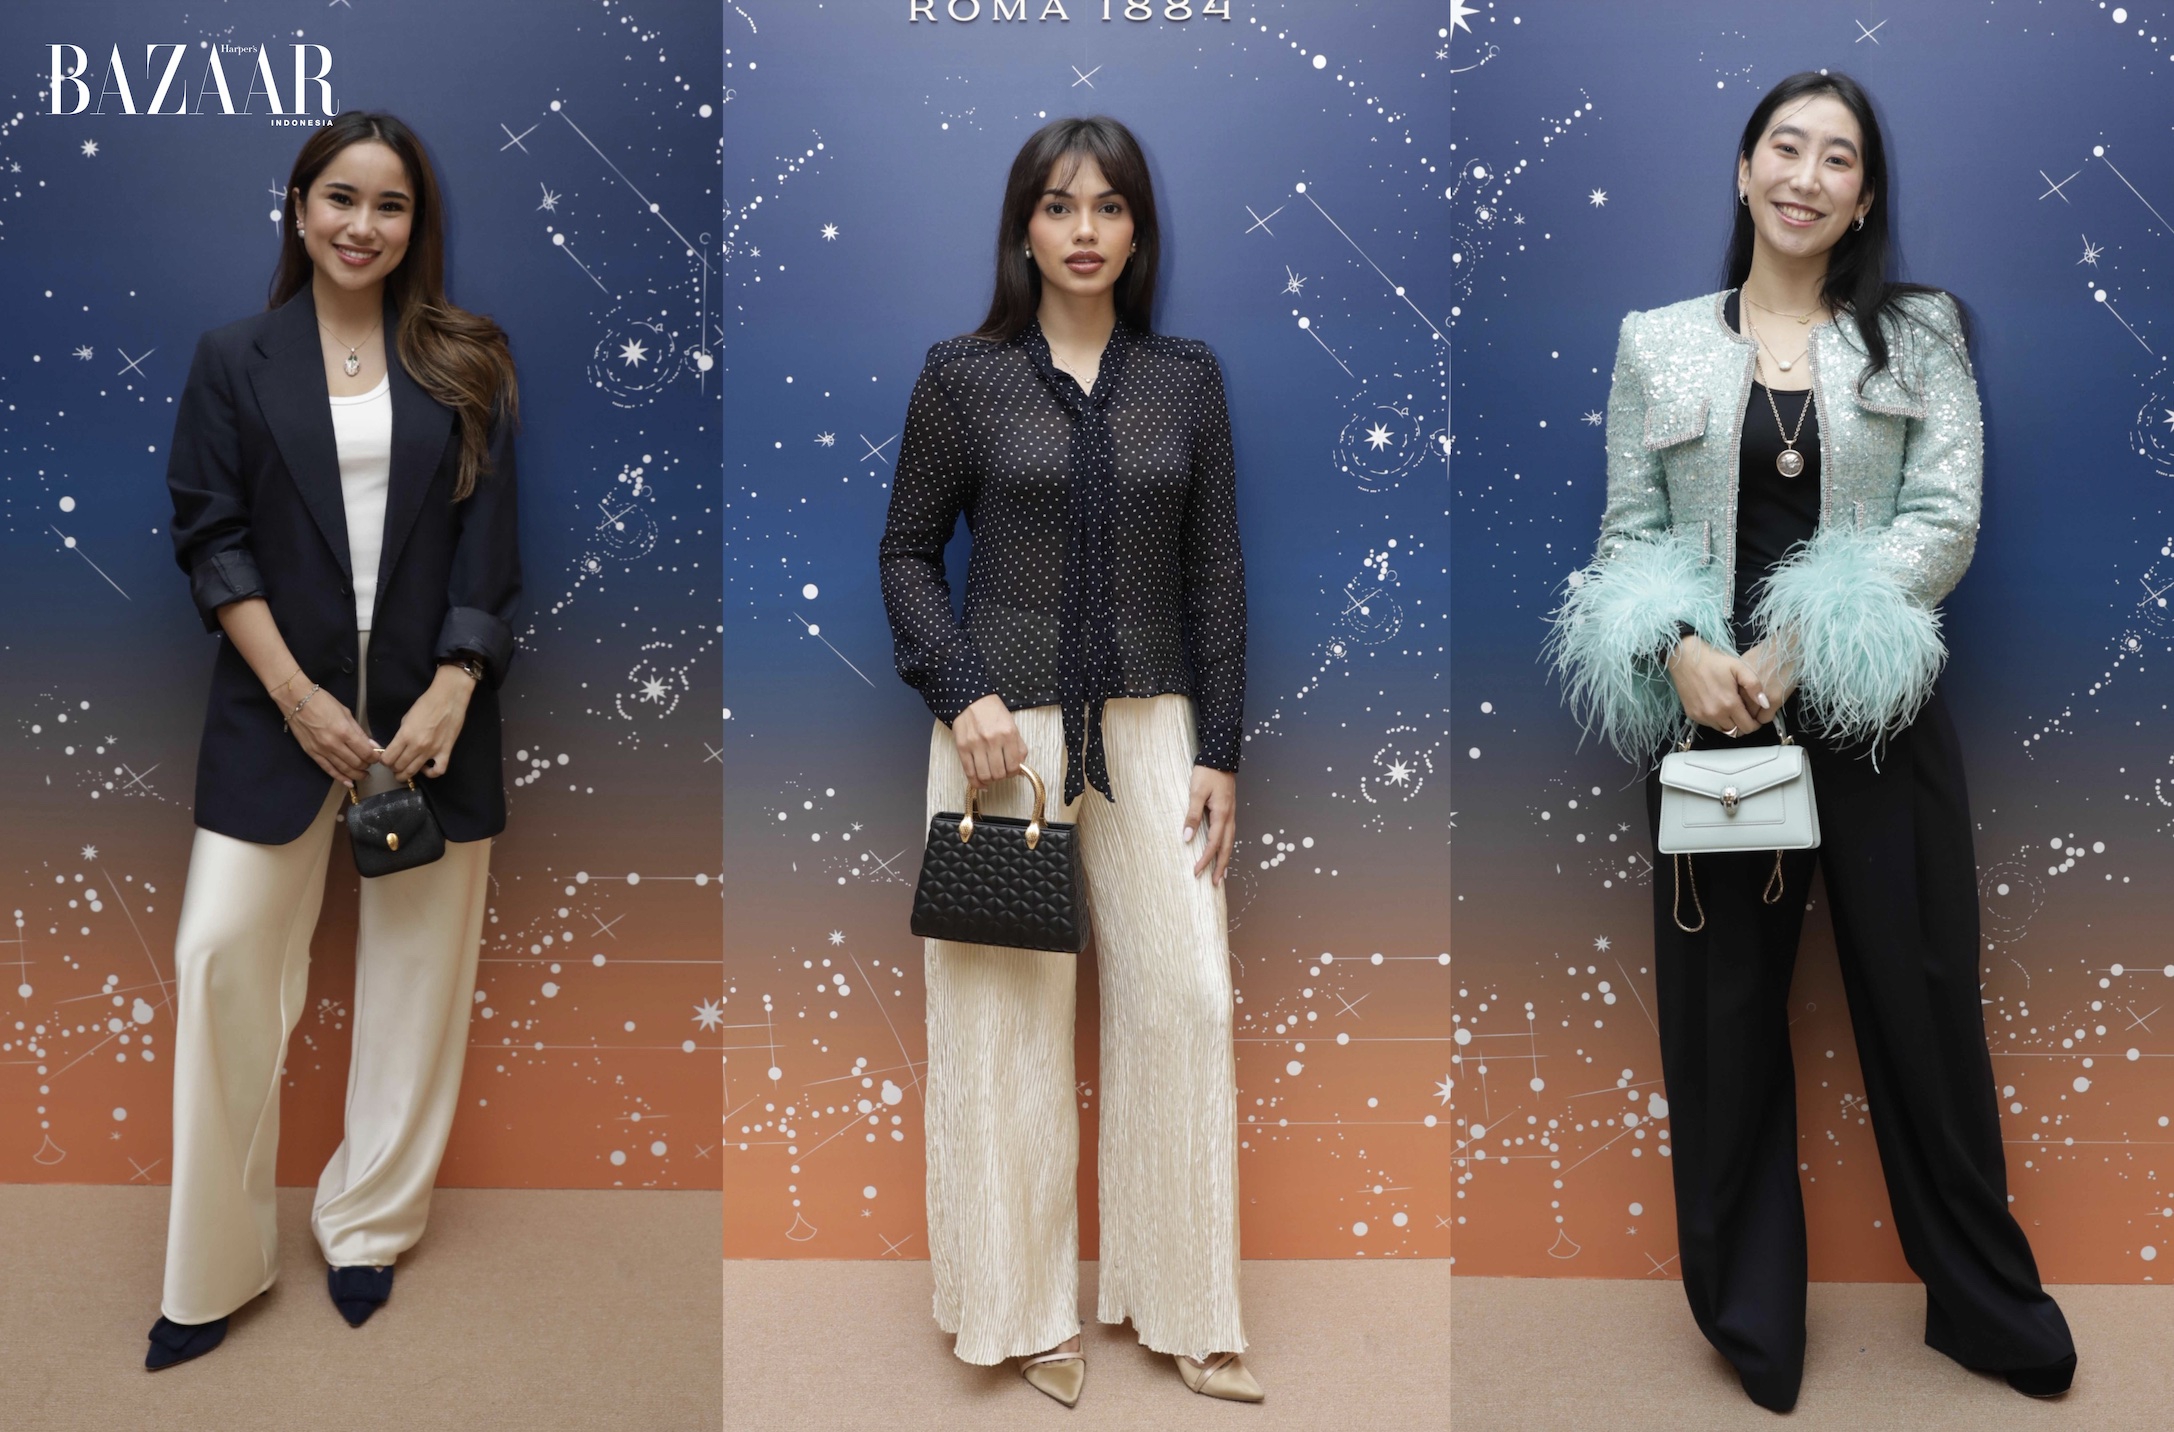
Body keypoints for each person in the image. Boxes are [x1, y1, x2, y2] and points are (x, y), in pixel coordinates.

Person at [1546, 71, 2076, 1411]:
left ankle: (1983, 1306)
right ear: (1742, 172)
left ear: (1864, 196)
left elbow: (1942, 520)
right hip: (1710, 722)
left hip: (1870, 709)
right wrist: (1677, 644)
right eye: (1783, 148)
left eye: (1836, 158)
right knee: (1721, 1022)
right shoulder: (1657, 342)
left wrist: (1804, 637)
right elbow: (1627, 537)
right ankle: (1750, 1322)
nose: (1804, 175)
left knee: (1921, 1002)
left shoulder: (1917, 333)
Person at [877, 115, 1260, 1407]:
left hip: (1155, 731)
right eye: (1057, 206)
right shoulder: (962, 376)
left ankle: (1186, 1304)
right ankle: (1017, 1310)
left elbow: (1214, 573)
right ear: (1023, 229)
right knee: (999, 1024)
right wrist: (960, 690)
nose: (1083, 230)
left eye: (1107, 207)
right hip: (1001, 740)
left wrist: (1221, 749)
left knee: (1185, 1000)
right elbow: (905, 553)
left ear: (1137, 231)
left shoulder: (1184, 379)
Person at [148, 110, 521, 1370]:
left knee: (417, 982)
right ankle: (209, 1268)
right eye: (341, 198)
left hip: (430, 728)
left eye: (391, 204)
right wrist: (300, 698)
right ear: (299, 208)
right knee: (218, 956)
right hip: (276, 716)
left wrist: (456, 686)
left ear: (418, 223)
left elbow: (490, 552)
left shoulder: (468, 359)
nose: (364, 225)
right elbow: (211, 540)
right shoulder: (232, 358)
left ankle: (368, 1225)